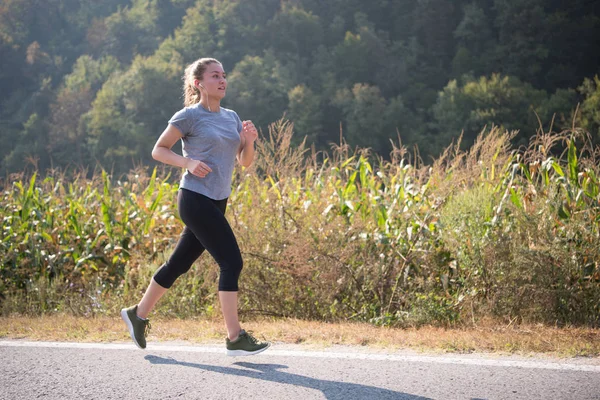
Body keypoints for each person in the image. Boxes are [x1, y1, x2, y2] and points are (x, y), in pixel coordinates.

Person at [121, 57, 269, 356]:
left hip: (218, 200)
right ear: (198, 83)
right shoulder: (189, 116)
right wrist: (187, 162)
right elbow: (159, 150)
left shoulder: (231, 117)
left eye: (224, 75)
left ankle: (138, 314)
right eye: (215, 76)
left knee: (179, 264)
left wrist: (249, 141)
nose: (222, 80)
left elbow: (244, 162)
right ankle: (235, 337)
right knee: (231, 263)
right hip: (194, 198)